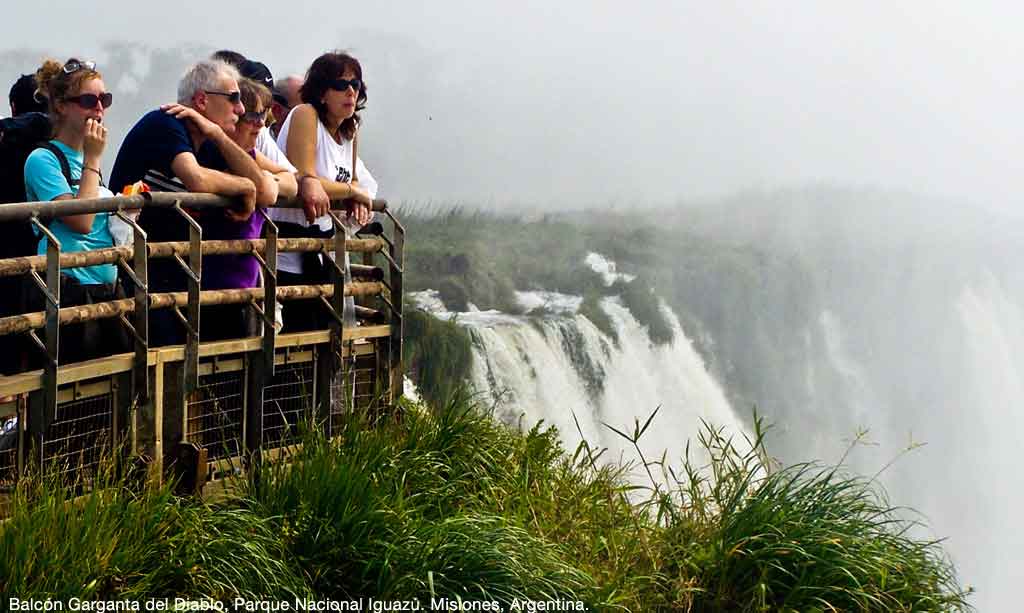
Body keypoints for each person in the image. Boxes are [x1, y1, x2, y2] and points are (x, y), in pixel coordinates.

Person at [109, 59, 275, 345]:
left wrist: (216, 135)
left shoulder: (209, 141)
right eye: (234, 98)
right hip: (135, 273)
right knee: (159, 365)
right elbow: (196, 178)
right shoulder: (165, 123)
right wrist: (244, 187)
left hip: (174, 271)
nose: (242, 109)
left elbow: (266, 191)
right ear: (201, 100)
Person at [23, 58, 128, 364]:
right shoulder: (43, 159)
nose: (99, 109)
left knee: (108, 397)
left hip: (104, 288)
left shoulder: (86, 158)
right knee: (71, 398)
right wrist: (93, 159)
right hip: (66, 291)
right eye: (87, 101)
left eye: (104, 100)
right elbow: (81, 220)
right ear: (60, 106)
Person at [276, 51, 377, 332]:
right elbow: (304, 177)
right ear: (321, 92)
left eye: (355, 85)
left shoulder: (349, 130)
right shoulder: (305, 115)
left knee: (323, 338)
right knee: (293, 337)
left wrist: (355, 197)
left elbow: (354, 182)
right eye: (340, 85)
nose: (350, 92)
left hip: (323, 247)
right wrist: (350, 192)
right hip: (288, 249)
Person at [199, 77, 296, 340]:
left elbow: (291, 181)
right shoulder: (212, 155)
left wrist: (267, 182)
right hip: (213, 292)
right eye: (252, 116)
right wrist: (260, 185)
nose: (260, 125)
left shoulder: (251, 156)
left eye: (264, 117)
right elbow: (266, 189)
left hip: (246, 290)